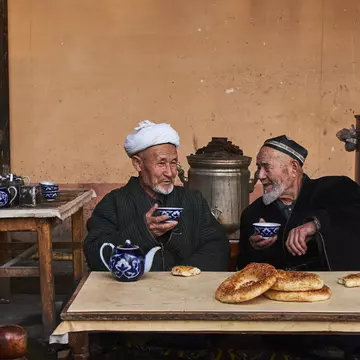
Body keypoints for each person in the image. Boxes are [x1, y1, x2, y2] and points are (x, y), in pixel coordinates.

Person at [84, 120, 230, 273]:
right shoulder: (114, 203)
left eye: (173, 163)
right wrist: (143, 232)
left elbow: (218, 246)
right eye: (161, 163)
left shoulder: (193, 201)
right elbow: (95, 255)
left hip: (185, 290)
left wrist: (184, 272)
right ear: (138, 164)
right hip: (131, 293)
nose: (170, 172)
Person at [238, 134, 360, 272]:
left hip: (332, 287)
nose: (260, 176)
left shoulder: (336, 189)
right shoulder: (252, 213)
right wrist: (254, 248)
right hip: (279, 289)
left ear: (294, 168)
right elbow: (244, 267)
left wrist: (316, 224)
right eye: (258, 168)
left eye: (266, 167)